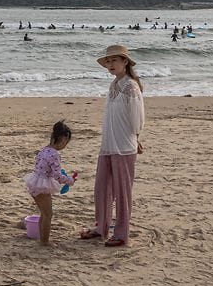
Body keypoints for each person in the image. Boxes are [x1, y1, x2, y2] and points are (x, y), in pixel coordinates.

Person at [81, 45, 144, 247]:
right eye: (108, 62)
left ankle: (122, 234)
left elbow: (137, 120)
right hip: (108, 144)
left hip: (124, 146)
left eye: (114, 60)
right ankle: (101, 228)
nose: (110, 65)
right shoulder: (113, 85)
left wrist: (136, 139)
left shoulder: (131, 87)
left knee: (123, 192)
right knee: (102, 188)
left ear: (125, 62)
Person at [24, 120, 75, 246]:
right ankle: (45, 241)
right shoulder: (55, 155)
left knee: (44, 213)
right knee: (48, 214)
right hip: (42, 186)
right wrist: (70, 181)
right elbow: (57, 176)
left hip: (34, 183)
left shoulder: (44, 150)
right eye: (66, 143)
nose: (65, 145)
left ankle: (42, 239)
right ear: (63, 140)